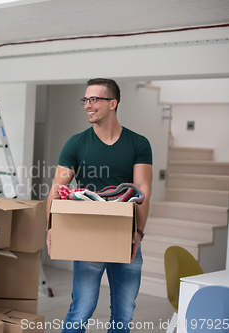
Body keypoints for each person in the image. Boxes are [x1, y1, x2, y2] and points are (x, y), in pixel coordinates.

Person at [46, 78, 153, 333]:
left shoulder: (138, 143)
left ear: (112, 103)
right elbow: (56, 190)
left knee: (124, 313)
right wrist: (51, 229)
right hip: (88, 236)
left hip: (124, 235)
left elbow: (143, 190)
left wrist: (138, 232)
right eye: (85, 100)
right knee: (81, 309)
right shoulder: (76, 143)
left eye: (94, 99)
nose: (87, 105)